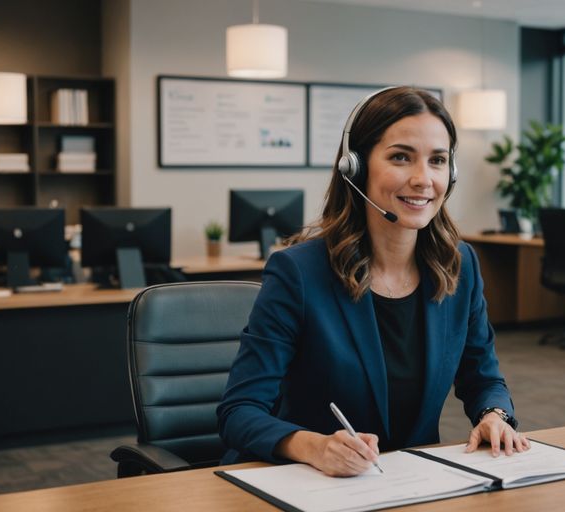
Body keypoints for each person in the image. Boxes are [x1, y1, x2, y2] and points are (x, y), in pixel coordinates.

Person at [217, 87, 529, 477]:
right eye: (401, 157)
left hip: (410, 485)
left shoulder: (459, 265)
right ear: (356, 168)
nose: (422, 179)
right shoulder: (298, 272)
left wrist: (494, 415)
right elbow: (238, 411)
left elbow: (483, 377)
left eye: (437, 161)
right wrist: (312, 445)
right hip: (311, 483)